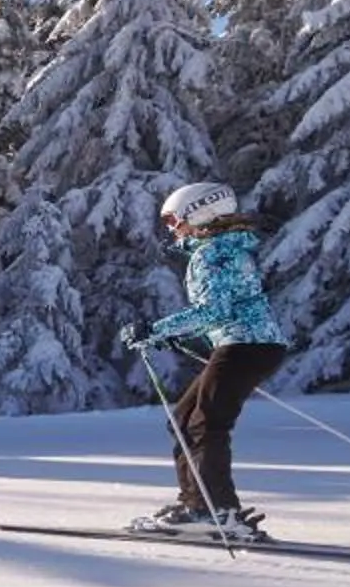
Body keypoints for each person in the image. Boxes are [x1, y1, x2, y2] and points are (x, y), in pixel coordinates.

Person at [117, 181, 292, 540]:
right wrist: (174, 333)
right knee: (183, 420)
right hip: (246, 344)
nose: (172, 228)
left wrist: (156, 329)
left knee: (206, 424)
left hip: (246, 345)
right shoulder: (219, 249)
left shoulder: (213, 253)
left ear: (200, 213)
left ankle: (218, 511)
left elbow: (215, 310)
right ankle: (196, 504)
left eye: (174, 220)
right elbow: (221, 311)